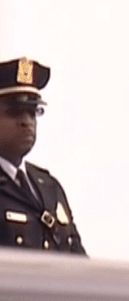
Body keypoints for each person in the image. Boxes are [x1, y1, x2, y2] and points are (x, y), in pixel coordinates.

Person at [0, 58, 85, 254]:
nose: (27, 122)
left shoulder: (49, 187)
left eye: (32, 112)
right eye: (15, 112)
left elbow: (79, 264)